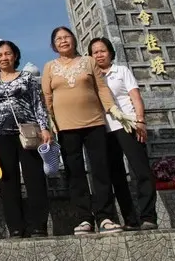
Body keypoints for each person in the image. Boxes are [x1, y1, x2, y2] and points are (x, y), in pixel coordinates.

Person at [41, 27, 134, 235]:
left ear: (74, 40)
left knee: (101, 171)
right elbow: (46, 97)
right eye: (58, 39)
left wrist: (114, 110)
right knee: (75, 174)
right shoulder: (49, 67)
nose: (63, 41)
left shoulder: (88, 61)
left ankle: (105, 217)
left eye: (67, 37)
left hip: (94, 123)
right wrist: (50, 123)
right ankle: (84, 219)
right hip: (65, 127)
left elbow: (101, 88)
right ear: (53, 45)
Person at [89, 37, 158, 231]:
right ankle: (130, 219)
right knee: (117, 177)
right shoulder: (91, 77)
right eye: (95, 52)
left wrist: (140, 120)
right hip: (104, 130)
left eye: (103, 50)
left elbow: (135, 96)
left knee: (141, 170)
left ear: (110, 52)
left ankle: (148, 216)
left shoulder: (122, 71)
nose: (99, 54)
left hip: (128, 126)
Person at [0, 40, 51, 238]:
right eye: (0, 55)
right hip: (2, 134)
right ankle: (15, 226)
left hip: (29, 133)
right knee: (7, 181)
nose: (4, 58)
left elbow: (37, 103)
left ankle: (38, 225)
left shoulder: (27, 78)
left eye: (8, 53)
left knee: (35, 179)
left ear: (15, 55)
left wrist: (44, 127)